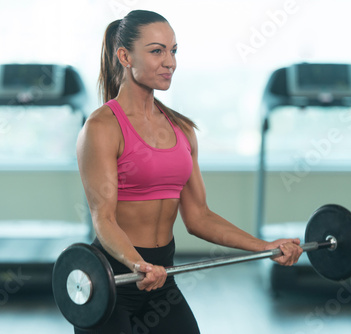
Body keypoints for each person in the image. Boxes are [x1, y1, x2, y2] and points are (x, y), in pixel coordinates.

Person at [75, 9, 303, 334]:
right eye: (157, 51)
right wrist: (138, 264)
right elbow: (103, 218)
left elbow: (198, 217)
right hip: (113, 280)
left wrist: (263, 246)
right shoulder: (102, 128)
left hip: (161, 279)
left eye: (173, 50)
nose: (171, 62)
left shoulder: (181, 129)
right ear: (124, 56)